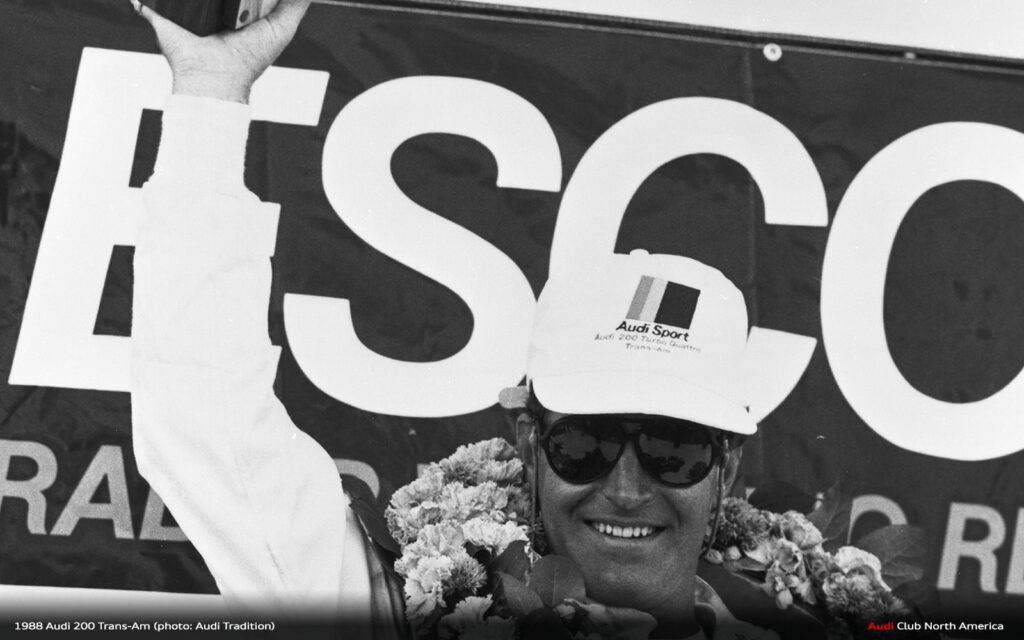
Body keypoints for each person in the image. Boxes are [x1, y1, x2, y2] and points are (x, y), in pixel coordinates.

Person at [128, 1, 772, 637]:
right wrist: (211, 92)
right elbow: (203, 416)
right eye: (586, 445)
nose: (627, 488)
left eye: (674, 451)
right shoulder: (387, 615)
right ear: (530, 445)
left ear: (726, 470)